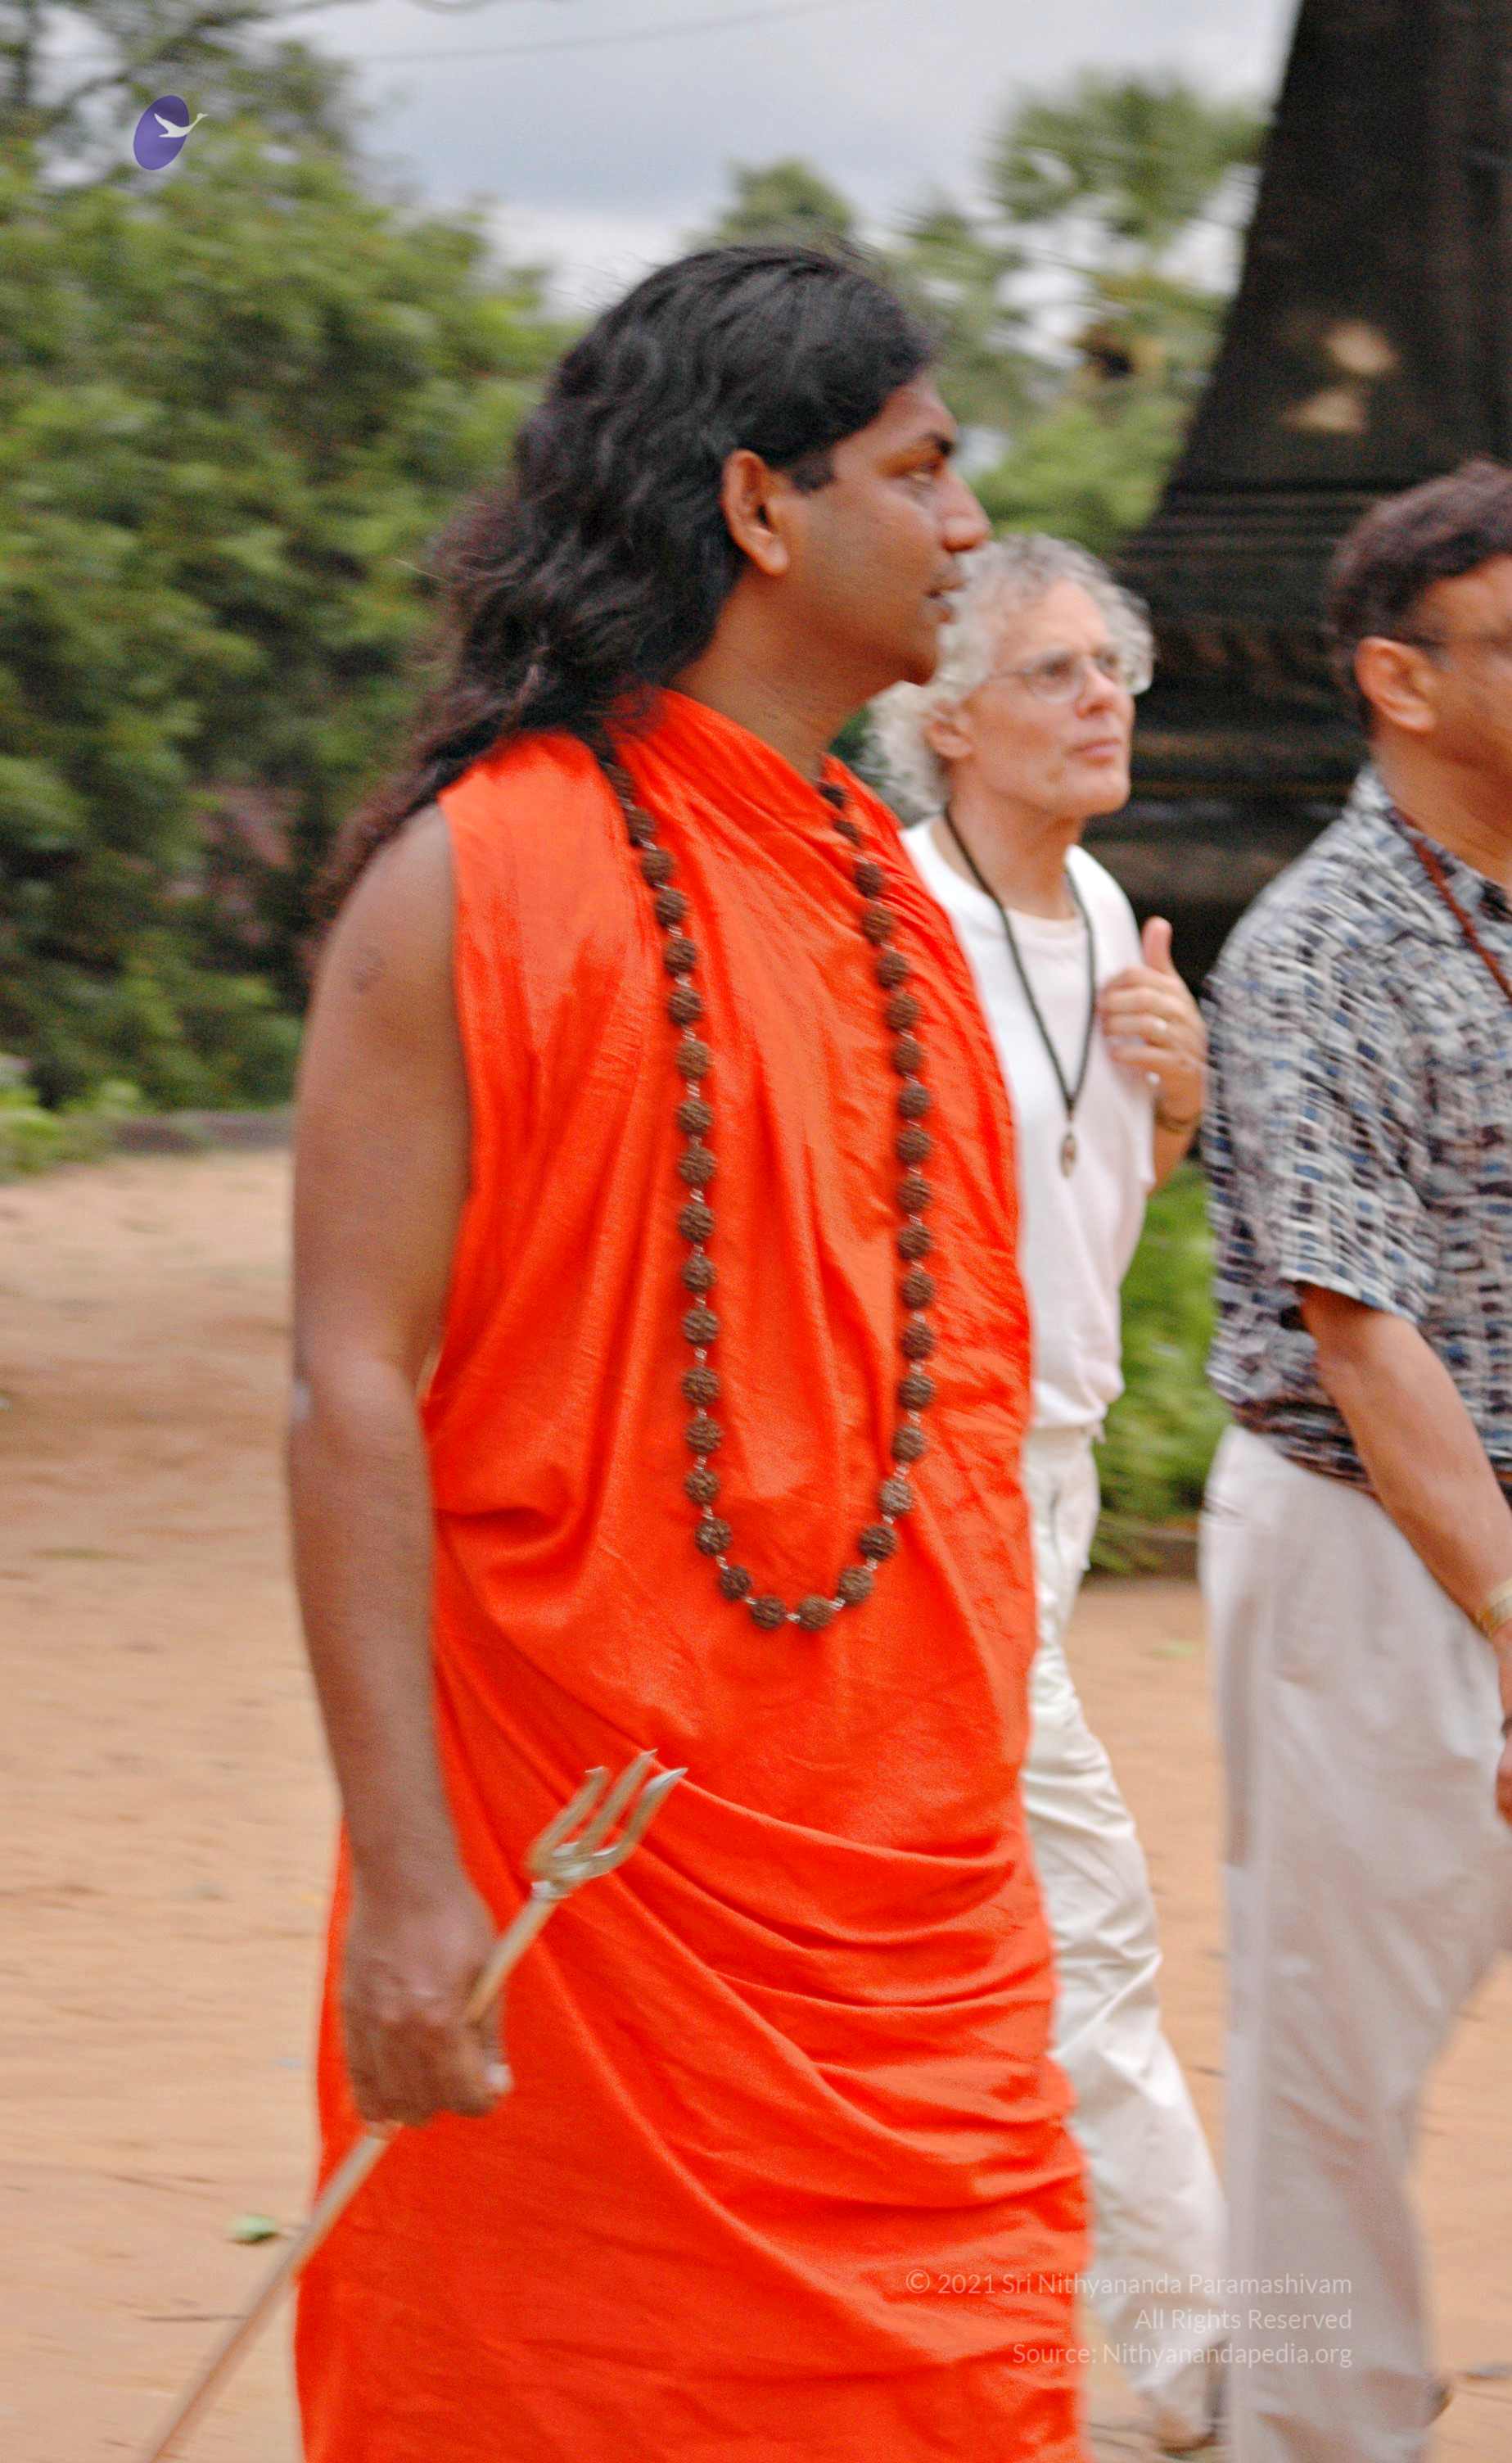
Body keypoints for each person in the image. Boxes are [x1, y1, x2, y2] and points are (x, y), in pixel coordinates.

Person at [287, 243, 1092, 2463]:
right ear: (760, 507)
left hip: (905, 1886)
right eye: (922, 471)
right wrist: (411, 1882)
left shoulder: (891, 897)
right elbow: (348, 1386)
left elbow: (939, 1401)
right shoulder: (472, 880)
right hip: (592, 1875)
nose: (966, 530)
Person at [873, 536, 1227, 2456]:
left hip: (1056, 1472)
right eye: (1056, 673)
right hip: (935, 1488)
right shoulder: (889, 919)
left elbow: (1079, 1213)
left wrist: (1171, 1105)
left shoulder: (1095, 905)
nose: (1104, 700)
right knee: (1083, 1913)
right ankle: (1211, 2362)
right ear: (946, 721)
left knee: (976, 1918)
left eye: (1115, 669)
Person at [1201, 459, 1512, 2463]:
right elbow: (1364, 1331)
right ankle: (1324, 2433)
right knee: (1332, 2055)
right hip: (1372, 1557)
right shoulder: (1319, 951)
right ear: (1403, 678)